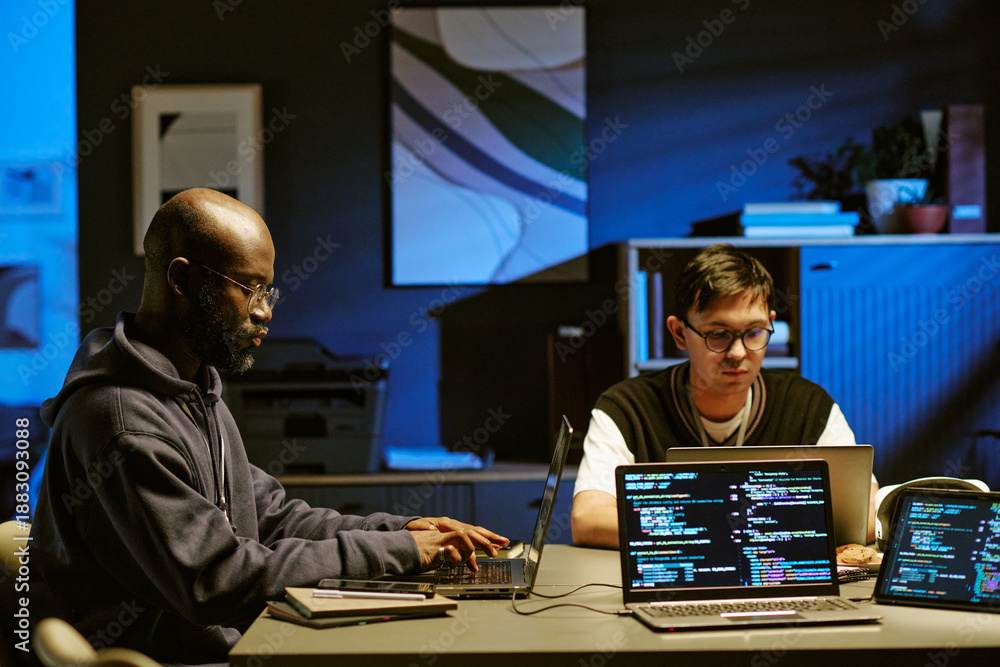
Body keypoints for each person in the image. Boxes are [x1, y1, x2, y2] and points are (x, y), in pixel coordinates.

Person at [31, 188, 508, 663]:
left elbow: (272, 519)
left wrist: (405, 531)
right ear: (182, 279)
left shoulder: (194, 391)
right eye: (248, 289)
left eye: (268, 290)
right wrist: (399, 551)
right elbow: (217, 580)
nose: (265, 311)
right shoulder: (121, 424)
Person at [570, 244, 876, 548]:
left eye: (755, 332)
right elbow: (588, 519)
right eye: (718, 334)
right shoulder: (627, 409)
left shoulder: (809, 406)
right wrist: (735, 527)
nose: (738, 352)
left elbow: (867, 512)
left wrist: (698, 526)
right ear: (679, 333)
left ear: (771, 323)